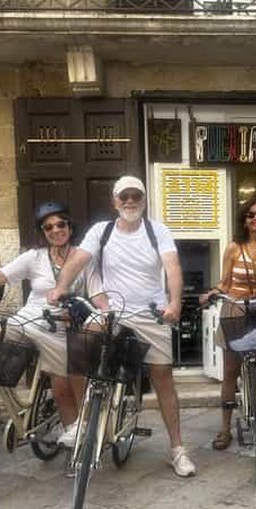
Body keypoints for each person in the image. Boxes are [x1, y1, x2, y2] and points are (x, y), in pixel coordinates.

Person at [47, 175, 196, 477]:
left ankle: (177, 449)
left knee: (163, 377)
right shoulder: (101, 232)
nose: (130, 201)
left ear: (143, 200)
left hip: (151, 313)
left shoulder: (158, 231)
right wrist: (61, 285)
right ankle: (82, 424)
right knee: (80, 343)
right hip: (113, 311)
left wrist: (175, 303)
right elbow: (78, 259)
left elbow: (173, 268)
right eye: (124, 196)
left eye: (136, 196)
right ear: (115, 201)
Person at [0, 202, 100, 447]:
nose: (55, 230)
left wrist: (97, 313)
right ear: (43, 232)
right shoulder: (34, 257)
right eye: (48, 227)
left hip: (60, 328)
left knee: (62, 380)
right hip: (26, 321)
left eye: (60, 224)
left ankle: (75, 430)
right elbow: (0, 276)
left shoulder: (84, 258)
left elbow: (96, 293)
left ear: (70, 226)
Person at [200, 199, 256, 458]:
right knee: (230, 372)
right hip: (235, 308)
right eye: (250, 215)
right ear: (244, 220)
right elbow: (225, 282)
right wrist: (213, 293)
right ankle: (225, 429)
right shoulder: (233, 248)